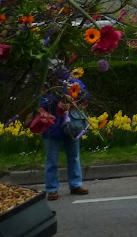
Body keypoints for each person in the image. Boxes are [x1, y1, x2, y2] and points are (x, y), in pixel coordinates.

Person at [42, 72, 89, 201]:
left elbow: (84, 93)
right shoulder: (45, 84)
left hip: (71, 125)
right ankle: (52, 189)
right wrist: (55, 102)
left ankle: (75, 184)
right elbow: (40, 101)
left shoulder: (71, 80)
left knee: (74, 156)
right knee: (52, 159)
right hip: (52, 125)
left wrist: (75, 96)